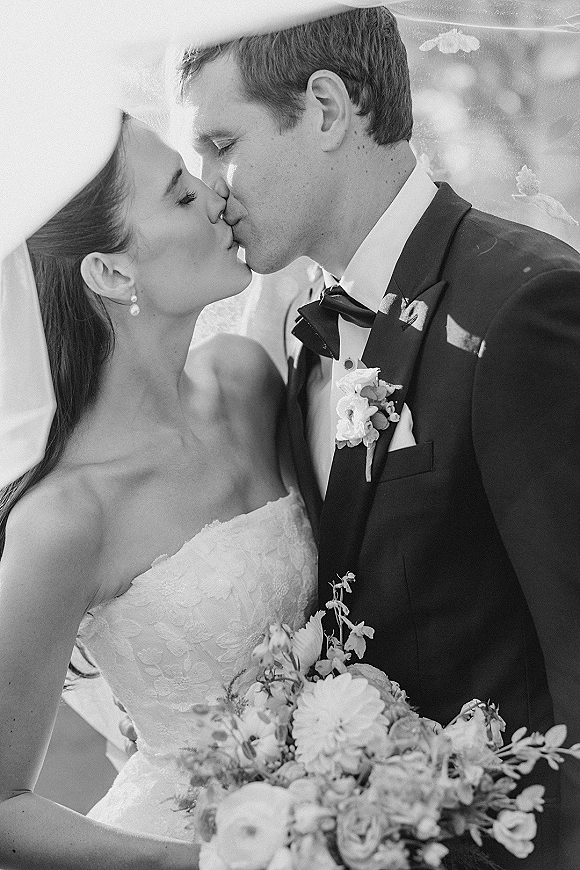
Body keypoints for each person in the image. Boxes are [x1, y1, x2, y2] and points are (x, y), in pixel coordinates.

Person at [177, 7, 580, 868]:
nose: (209, 188)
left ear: (326, 108)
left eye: (220, 143)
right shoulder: (297, 331)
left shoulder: (523, 308)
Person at [0, 114, 317, 868]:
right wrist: (212, 863)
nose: (215, 196)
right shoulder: (67, 516)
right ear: (111, 272)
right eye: (179, 195)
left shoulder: (246, 381)